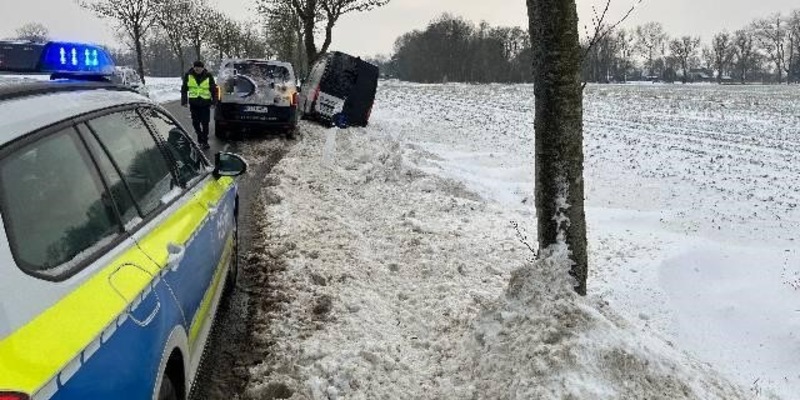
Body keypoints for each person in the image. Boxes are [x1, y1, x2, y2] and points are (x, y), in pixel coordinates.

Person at [181, 60, 218, 149]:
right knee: (195, 123)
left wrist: (214, 102)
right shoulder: (188, 75)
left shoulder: (208, 76)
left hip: (205, 104)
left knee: (205, 123)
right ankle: (200, 137)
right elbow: (184, 89)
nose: (197, 69)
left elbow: (214, 90)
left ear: (203, 68)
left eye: (199, 67)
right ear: (193, 67)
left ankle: (205, 141)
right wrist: (184, 101)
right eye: (196, 67)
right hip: (194, 104)